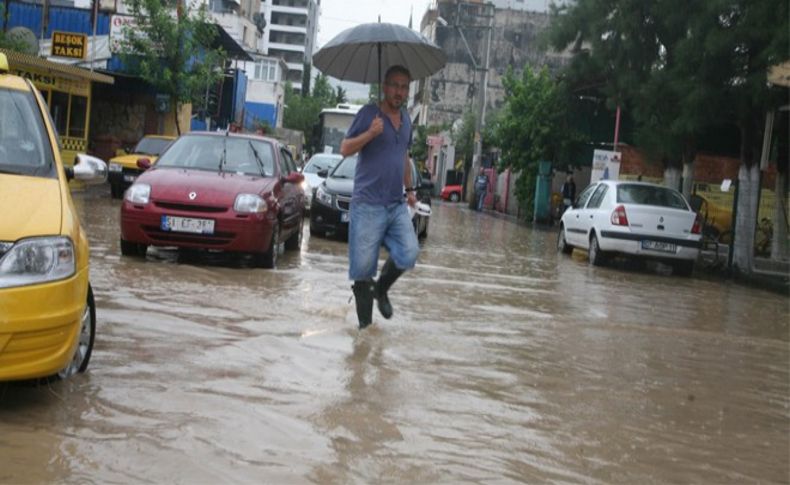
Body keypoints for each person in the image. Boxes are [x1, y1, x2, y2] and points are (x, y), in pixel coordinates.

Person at [340, 65, 419, 329]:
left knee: (409, 252)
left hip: (395, 203)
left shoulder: (407, 120)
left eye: (404, 87)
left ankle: (382, 289)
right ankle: (365, 333)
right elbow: (345, 149)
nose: (399, 91)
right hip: (367, 204)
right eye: (395, 85)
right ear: (385, 87)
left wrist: (409, 190)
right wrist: (371, 133)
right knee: (362, 270)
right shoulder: (368, 115)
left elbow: (403, 157)